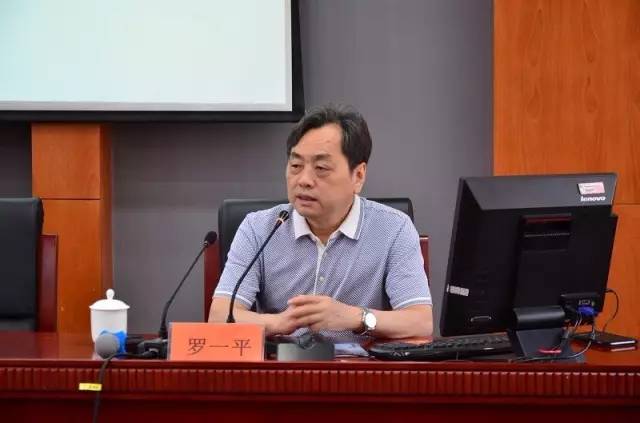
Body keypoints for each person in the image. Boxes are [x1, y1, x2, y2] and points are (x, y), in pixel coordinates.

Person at [209, 104, 433, 340]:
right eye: (296, 166)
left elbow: (420, 322)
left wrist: (354, 317)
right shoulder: (259, 228)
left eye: (321, 168)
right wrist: (279, 322)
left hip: (359, 363)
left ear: (358, 176)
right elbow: (219, 317)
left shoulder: (393, 229)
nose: (304, 180)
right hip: (281, 362)